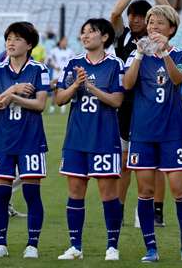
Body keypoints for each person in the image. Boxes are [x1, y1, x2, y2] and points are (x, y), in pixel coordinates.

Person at [123, 5, 182, 263]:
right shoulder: (136, 54)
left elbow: (177, 79)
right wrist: (140, 56)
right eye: (151, 22)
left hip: (172, 131)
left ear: (172, 29)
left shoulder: (181, 54)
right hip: (142, 133)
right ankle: (150, 249)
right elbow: (127, 84)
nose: (153, 26)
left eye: (159, 23)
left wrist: (164, 52)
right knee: (144, 191)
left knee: (179, 188)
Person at [55, 18, 124, 261]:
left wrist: (91, 88)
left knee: (108, 193)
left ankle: (112, 247)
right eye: (83, 32)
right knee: (75, 191)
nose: (85, 36)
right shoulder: (73, 63)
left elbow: (117, 101)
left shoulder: (115, 64)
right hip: (76, 138)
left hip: (104, 137)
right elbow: (59, 99)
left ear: (104, 37)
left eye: (91, 32)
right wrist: (76, 85)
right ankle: (75, 247)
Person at [109, 0, 171, 225]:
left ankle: (155, 210)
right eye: (132, 15)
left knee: (153, 162)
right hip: (125, 105)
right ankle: (120, 209)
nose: (133, 19)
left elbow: (167, 11)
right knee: (124, 161)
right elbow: (114, 14)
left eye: (140, 16)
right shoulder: (123, 37)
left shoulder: (157, 39)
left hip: (151, 105)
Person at [0, 22, 48, 259]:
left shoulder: (39, 69)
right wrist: (13, 91)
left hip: (30, 140)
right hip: (3, 141)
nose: (11, 42)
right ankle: (1, 243)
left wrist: (11, 98)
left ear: (29, 44)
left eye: (17, 39)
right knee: (1, 194)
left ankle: (32, 245)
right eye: (9, 38)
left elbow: (40, 105)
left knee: (32, 194)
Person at [47, 36, 74, 114]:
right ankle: (52, 107)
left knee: (65, 90)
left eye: (66, 41)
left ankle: (63, 107)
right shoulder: (54, 51)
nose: (65, 42)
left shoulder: (70, 51)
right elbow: (49, 60)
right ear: (60, 41)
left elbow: (73, 62)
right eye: (64, 41)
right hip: (57, 74)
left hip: (66, 74)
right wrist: (55, 66)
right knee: (55, 91)